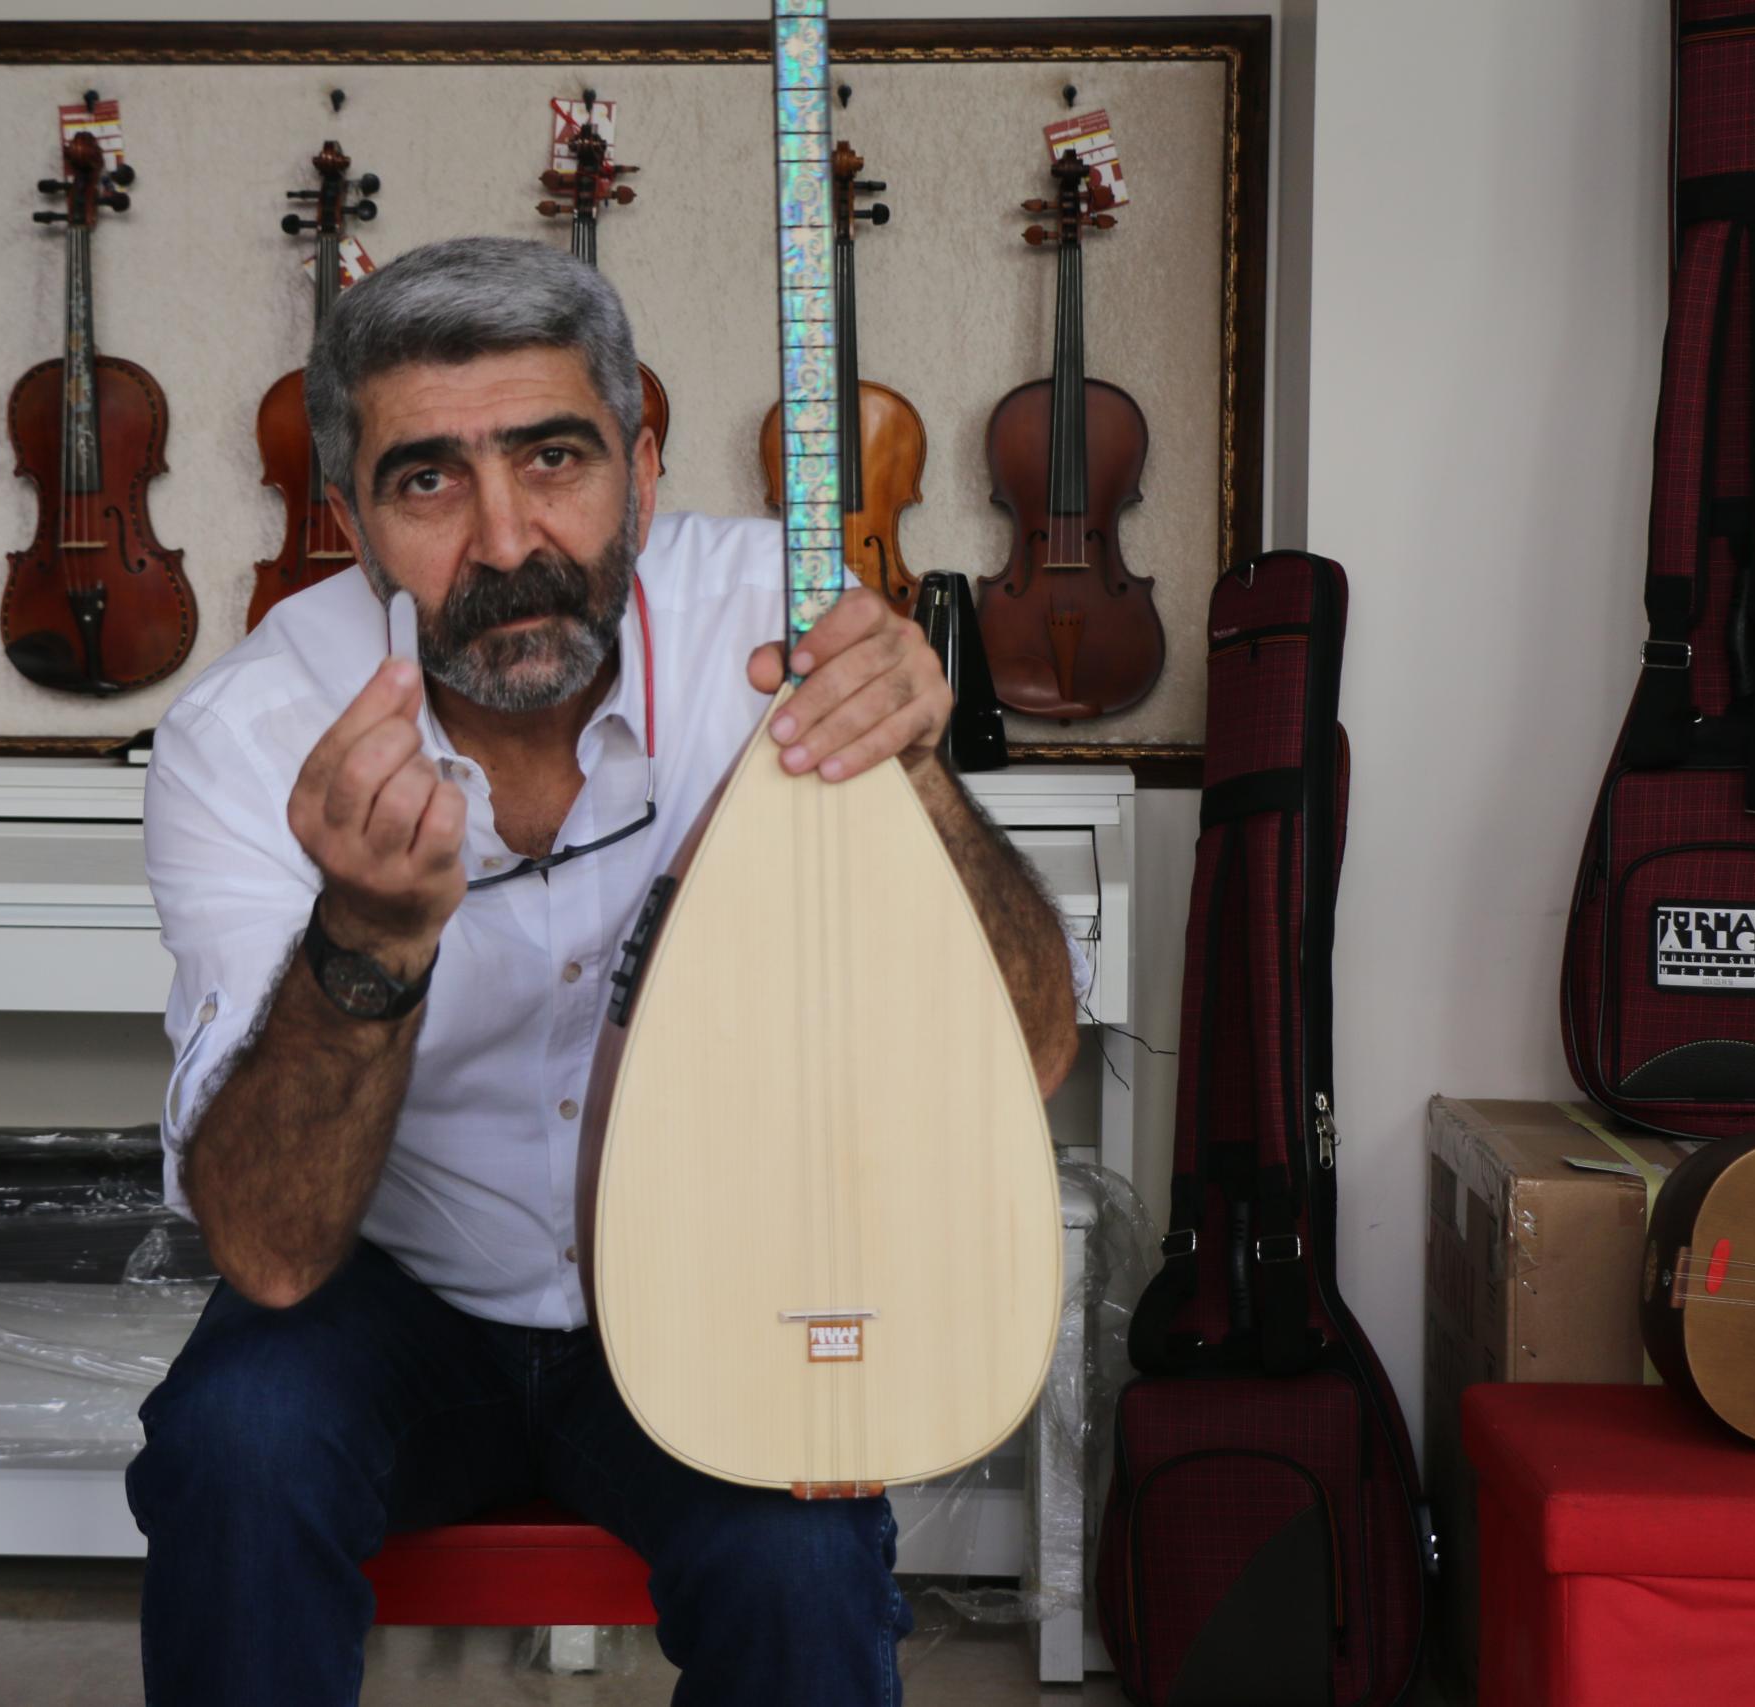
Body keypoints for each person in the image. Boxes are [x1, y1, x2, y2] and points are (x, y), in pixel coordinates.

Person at [127, 236, 1087, 1706]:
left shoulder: (776, 623)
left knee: (802, 1564)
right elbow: (268, 1252)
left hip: (724, 1276)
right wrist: (365, 946)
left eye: (554, 457)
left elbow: (1030, 1052)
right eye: (428, 481)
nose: (506, 540)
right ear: (353, 522)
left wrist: (916, 772)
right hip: (395, 1298)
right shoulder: (250, 732)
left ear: (641, 467)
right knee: (234, 1452)